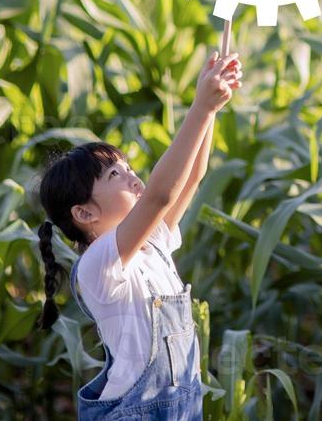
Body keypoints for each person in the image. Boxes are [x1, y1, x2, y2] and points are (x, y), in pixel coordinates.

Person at [36, 49, 242, 420]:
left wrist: (210, 103)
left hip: (182, 409)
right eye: (115, 175)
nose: (133, 177)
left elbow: (192, 175)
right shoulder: (98, 265)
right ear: (84, 213)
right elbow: (161, 195)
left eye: (128, 167)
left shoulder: (152, 244)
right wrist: (200, 108)